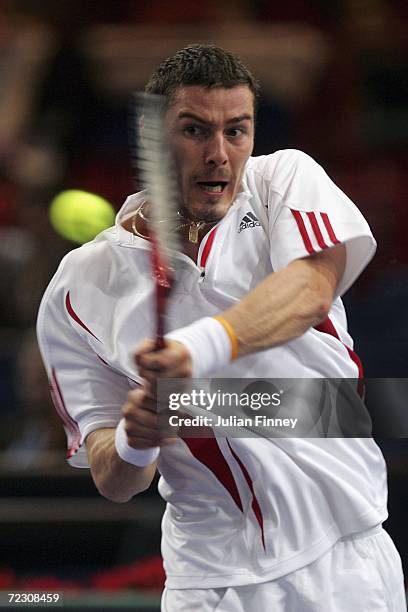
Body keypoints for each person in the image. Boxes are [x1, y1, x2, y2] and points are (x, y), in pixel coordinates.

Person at [37, 44, 406, 611]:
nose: (219, 154)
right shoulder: (80, 287)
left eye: (237, 131)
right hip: (207, 584)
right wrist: (137, 438)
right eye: (194, 131)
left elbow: (309, 293)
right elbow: (112, 478)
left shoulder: (283, 179)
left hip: (346, 560)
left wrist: (194, 363)